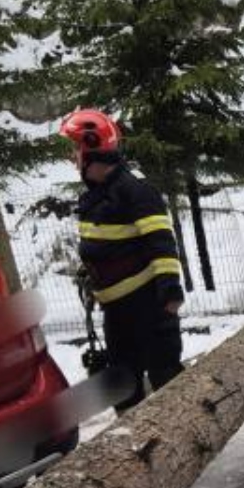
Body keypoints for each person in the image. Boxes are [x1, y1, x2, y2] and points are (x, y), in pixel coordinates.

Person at [59, 108, 185, 411]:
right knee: (122, 386)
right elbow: (104, 244)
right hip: (116, 311)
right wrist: (90, 274)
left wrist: (170, 290)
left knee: (166, 380)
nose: (73, 157)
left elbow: (161, 241)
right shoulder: (95, 195)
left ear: (91, 149)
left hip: (148, 306)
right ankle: (132, 450)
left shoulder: (135, 190)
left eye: (76, 148)